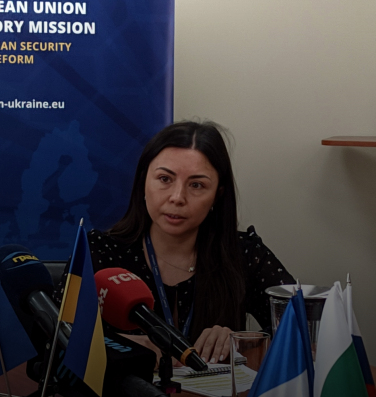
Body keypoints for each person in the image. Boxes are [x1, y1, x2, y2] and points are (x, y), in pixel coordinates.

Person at [92, 120, 294, 364]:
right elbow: (60, 338)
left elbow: (305, 329)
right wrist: (128, 346)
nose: (177, 197)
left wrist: (242, 342)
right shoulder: (101, 252)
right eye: (165, 179)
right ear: (144, 181)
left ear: (217, 195)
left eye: (197, 185)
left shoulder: (244, 253)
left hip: (214, 389)